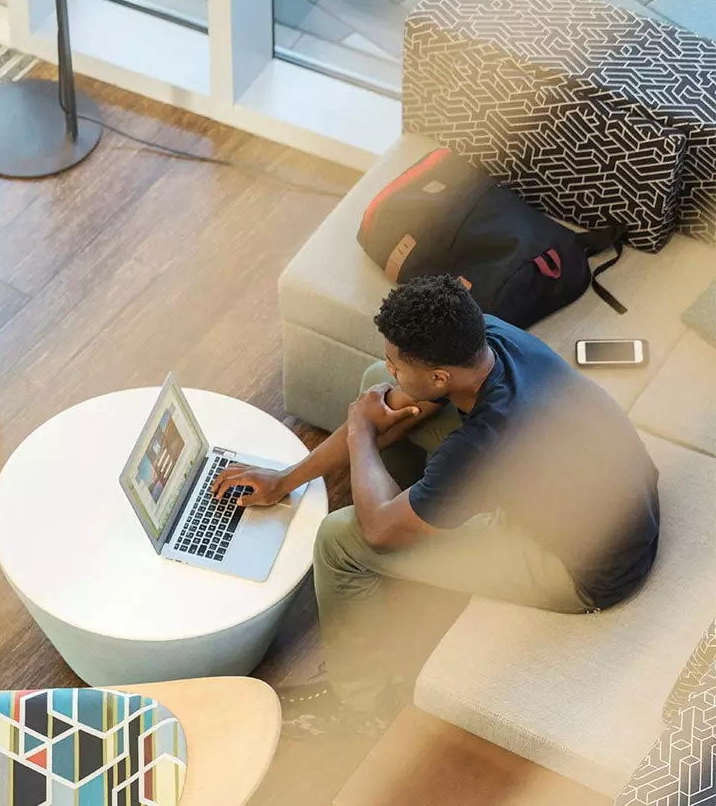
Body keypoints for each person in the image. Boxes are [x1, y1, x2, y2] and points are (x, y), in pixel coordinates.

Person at [212, 275, 660, 738]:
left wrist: (362, 433)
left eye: (397, 363)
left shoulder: (488, 441)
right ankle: (416, 516)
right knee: (374, 388)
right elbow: (394, 399)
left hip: (584, 568)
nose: (391, 369)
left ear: (441, 377)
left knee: (340, 540)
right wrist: (286, 479)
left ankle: (359, 706)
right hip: (615, 498)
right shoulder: (487, 337)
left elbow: (378, 530)